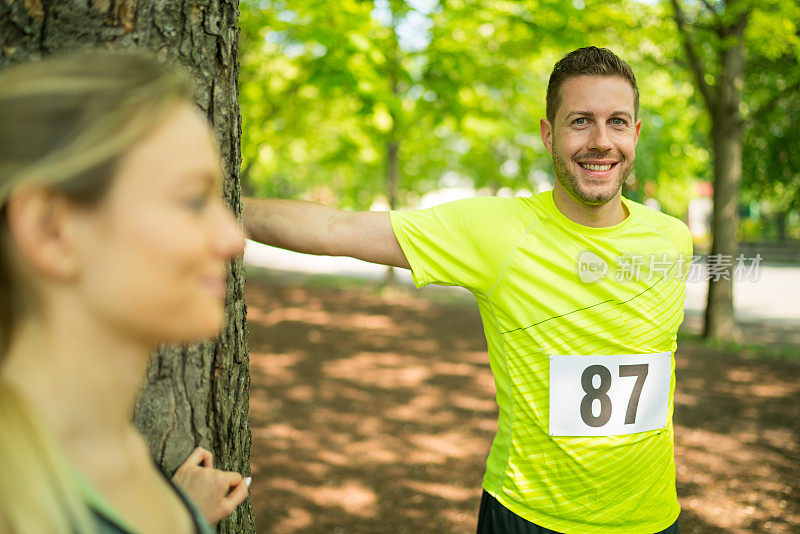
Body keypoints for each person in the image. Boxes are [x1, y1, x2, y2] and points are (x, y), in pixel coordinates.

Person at [242, 46, 691, 533]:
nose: (601, 141)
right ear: (549, 134)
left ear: (636, 133)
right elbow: (335, 228)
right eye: (580, 121)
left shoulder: (672, 240)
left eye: (617, 122)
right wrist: (219, 208)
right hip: (529, 515)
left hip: (654, 519)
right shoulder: (494, 231)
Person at [0, 50, 249, 532]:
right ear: (52, 229)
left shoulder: (123, 453)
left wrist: (183, 514)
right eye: (193, 199)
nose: (232, 238)